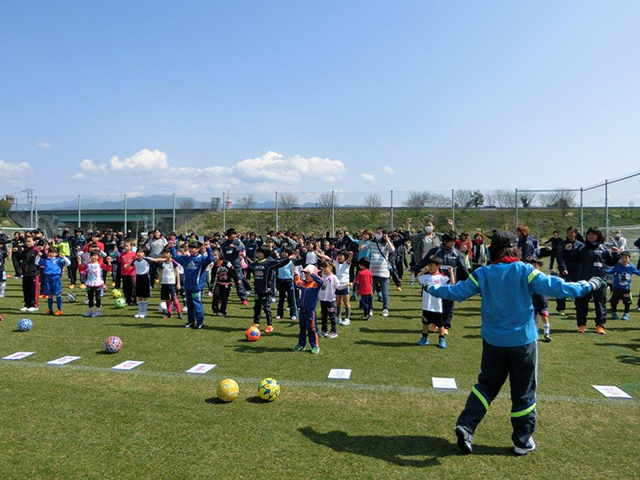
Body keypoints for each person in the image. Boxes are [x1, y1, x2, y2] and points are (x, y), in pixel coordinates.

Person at [428, 230, 603, 456]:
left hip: (493, 342)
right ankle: (522, 440)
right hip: (523, 343)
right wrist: (590, 285)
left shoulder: (483, 273)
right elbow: (557, 287)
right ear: (514, 248)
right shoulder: (525, 270)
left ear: (493, 250)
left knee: (486, 386)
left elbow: (457, 292)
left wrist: (432, 288)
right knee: (523, 392)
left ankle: (466, 426)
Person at [413, 233, 469, 334]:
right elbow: (424, 261)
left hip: (450, 282)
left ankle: (446, 325)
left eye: (454, 241)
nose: (453, 243)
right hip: (437, 282)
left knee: (449, 304)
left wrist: (469, 280)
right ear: (445, 242)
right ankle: (435, 324)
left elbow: (463, 268)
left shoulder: (457, 253)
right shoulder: (435, 251)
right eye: (451, 241)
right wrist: (415, 268)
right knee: (436, 303)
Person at [575, 227, 620, 334]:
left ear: (598, 236)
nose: (590, 236)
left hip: (600, 280)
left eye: (593, 234)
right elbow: (572, 259)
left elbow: (611, 262)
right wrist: (568, 251)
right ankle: (581, 325)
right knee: (581, 303)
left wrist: (616, 254)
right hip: (584, 280)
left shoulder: (603, 248)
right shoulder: (582, 248)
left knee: (600, 303)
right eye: (589, 234)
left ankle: (600, 326)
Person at [246, 246, 292, 333]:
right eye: (258, 252)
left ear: (265, 253)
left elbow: (280, 263)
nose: (258, 254)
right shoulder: (256, 263)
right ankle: (256, 323)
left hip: (266, 290)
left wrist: (288, 259)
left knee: (266, 308)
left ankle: (269, 325)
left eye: (260, 252)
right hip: (257, 290)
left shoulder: (269, 263)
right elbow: (249, 267)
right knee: (256, 307)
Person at [170, 240, 214, 329]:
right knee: (189, 305)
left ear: (198, 249)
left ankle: (200, 322)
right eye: (190, 247)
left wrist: (208, 248)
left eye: (193, 248)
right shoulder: (186, 258)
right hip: (188, 286)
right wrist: (172, 247)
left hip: (196, 287)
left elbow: (210, 258)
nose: (191, 249)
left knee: (197, 304)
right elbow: (175, 257)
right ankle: (190, 321)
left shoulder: (201, 259)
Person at [416, 255, 452, 348]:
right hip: (426, 305)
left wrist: (451, 272)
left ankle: (442, 339)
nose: (430, 267)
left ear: (438, 266)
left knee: (440, 324)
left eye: (432, 265)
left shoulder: (442, 277)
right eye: (429, 265)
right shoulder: (426, 277)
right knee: (425, 323)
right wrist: (424, 271)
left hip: (437, 306)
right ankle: (424, 338)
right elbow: (417, 278)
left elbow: (452, 284)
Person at [292, 264, 324, 354]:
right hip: (302, 311)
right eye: (305, 274)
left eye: (308, 274)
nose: (306, 276)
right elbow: (297, 283)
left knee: (312, 329)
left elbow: (321, 282)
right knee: (302, 328)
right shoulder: (303, 283)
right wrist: (296, 273)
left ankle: (315, 346)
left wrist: (313, 274)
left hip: (310, 311)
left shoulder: (315, 284)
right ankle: (301, 344)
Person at [364, 228, 395, 317]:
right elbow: (360, 248)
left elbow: (392, 250)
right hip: (372, 271)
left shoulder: (386, 244)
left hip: (383, 271)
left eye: (380, 233)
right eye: (376, 232)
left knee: (384, 291)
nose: (377, 234)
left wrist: (387, 239)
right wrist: (363, 240)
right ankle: (370, 308)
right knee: (371, 291)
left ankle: (385, 308)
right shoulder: (372, 243)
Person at [555, 227, 584, 315]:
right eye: (568, 232)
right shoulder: (562, 244)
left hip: (577, 269)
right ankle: (561, 308)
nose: (570, 234)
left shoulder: (580, 245)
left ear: (576, 234)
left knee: (578, 288)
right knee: (562, 287)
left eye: (572, 233)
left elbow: (583, 257)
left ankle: (579, 307)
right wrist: (563, 268)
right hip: (566, 268)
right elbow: (559, 257)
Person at [605, 251, 640, 321]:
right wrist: (602, 270)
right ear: (620, 259)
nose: (624, 259)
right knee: (614, 301)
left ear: (629, 259)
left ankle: (626, 314)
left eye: (626, 258)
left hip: (626, 289)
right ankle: (614, 313)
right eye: (622, 258)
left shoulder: (631, 267)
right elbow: (611, 271)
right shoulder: (617, 266)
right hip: (616, 288)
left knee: (627, 302)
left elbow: (638, 273)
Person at [35, 247, 71, 315]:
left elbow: (68, 263)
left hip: (56, 278)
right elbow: (36, 263)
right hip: (47, 278)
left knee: (58, 294)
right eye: (50, 252)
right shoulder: (46, 260)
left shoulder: (59, 260)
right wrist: (38, 256)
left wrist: (64, 257)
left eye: (54, 253)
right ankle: (50, 310)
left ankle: (59, 310)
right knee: (49, 295)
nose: (52, 254)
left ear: (56, 253)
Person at [149, 247, 183, 319]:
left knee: (175, 298)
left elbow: (177, 273)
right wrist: (159, 284)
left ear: (170, 254)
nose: (165, 255)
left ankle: (179, 313)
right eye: (164, 253)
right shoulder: (162, 264)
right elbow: (161, 274)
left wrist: (178, 283)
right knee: (167, 299)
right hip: (164, 283)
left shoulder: (174, 263)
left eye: (167, 253)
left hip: (172, 283)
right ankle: (169, 313)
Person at [78, 250, 112, 317]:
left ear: (98, 257)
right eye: (92, 255)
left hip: (98, 283)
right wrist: (79, 261)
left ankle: (98, 311)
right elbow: (81, 269)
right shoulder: (88, 264)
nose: (94, 257)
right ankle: (90, 311)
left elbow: (108, 269)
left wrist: (109, 262)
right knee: (90, 298)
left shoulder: (100, 264)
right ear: (90, 256)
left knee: (98, 298)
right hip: (89, 283)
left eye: (96, 256)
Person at [220, 228, 249, 305]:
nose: (234, 236)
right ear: (228, 235)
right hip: (227, 267)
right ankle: (223, 297)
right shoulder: (224, 244)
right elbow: (221, 254)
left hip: (236, 266)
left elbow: (242, 249)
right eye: (232, 234)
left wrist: (235, 247)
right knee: (225, 283)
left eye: (235, 234)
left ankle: (243, 298)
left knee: (239, 283)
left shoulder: (238, 242)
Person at [528, 257, 551, 342]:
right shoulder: (529, 276)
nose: (533, 267)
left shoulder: (542, 276)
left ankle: (546, 333)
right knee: (534, 318)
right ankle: (535, 334)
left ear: (540, 267)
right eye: (532, 265)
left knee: (544, 317)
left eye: (535, 265)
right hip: (532, 301)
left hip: (542, 301)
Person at [209, 250, 236, 317]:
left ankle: (222, 311)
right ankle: (215, 310)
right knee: (215, 295)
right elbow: (213, 276)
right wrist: (211, 286)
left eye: (215, 255)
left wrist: (237, 279)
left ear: (220, 256)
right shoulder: (214, 265)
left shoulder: (226, 263)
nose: (214, 257)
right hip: (219, 283)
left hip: (227, 283)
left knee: (225, 298)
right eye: (213, 256)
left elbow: (233, 270)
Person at [275, 247, 298, 322]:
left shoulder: (292, 260)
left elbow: (301, 261)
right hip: (280, 280)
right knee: (281, 298)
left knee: (291, 298)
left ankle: (293, 314)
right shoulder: (279, 260)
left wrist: (300, 254)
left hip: (289, 280)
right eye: (283, 252)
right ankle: (279, 314)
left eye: (286, 252)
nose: (284, 253)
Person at [318, 260, 339, 338]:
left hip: (330, 300)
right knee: (324, 316)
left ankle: (334, 331)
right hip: (323, 299)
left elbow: (338, 286)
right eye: (323, 267)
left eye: (325, 267)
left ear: (330, 267)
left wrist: (346, 285)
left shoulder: (333, 277)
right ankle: (324, 330)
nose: (324, 269)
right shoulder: (323, 276)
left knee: (332, 316)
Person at [131, 249, 154, 319]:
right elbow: (128, 266)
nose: (139, 253)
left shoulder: (147, 260)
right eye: (138, 252)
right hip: (138, 278)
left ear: (144, 254)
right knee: (139, 295)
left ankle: (144, 312)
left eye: (141, 252)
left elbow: (156, 260)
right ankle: (140, 311)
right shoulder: (134, 261)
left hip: (145, 277)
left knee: (145, 295)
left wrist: (166, 259)